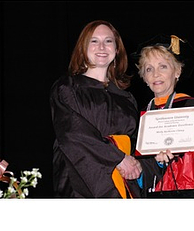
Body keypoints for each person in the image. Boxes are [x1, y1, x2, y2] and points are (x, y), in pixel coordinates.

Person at [50, 20, 144, 198]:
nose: (102, 46)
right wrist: (118, 158)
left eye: (108, 41)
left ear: (117, 50)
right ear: (83, 48)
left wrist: (142, 164)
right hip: (81, 181)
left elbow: (135, 144)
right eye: (94, 41)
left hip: (124, 181)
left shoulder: (127, 99)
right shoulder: (67, 87)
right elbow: (73, 133)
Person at [133, 34, 194, 197]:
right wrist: (152, 166)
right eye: (149, 69)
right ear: (144, 77)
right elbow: (135, 172)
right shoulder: (139, 118)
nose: (155, 74)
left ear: (177, 71)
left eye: (163, 67)